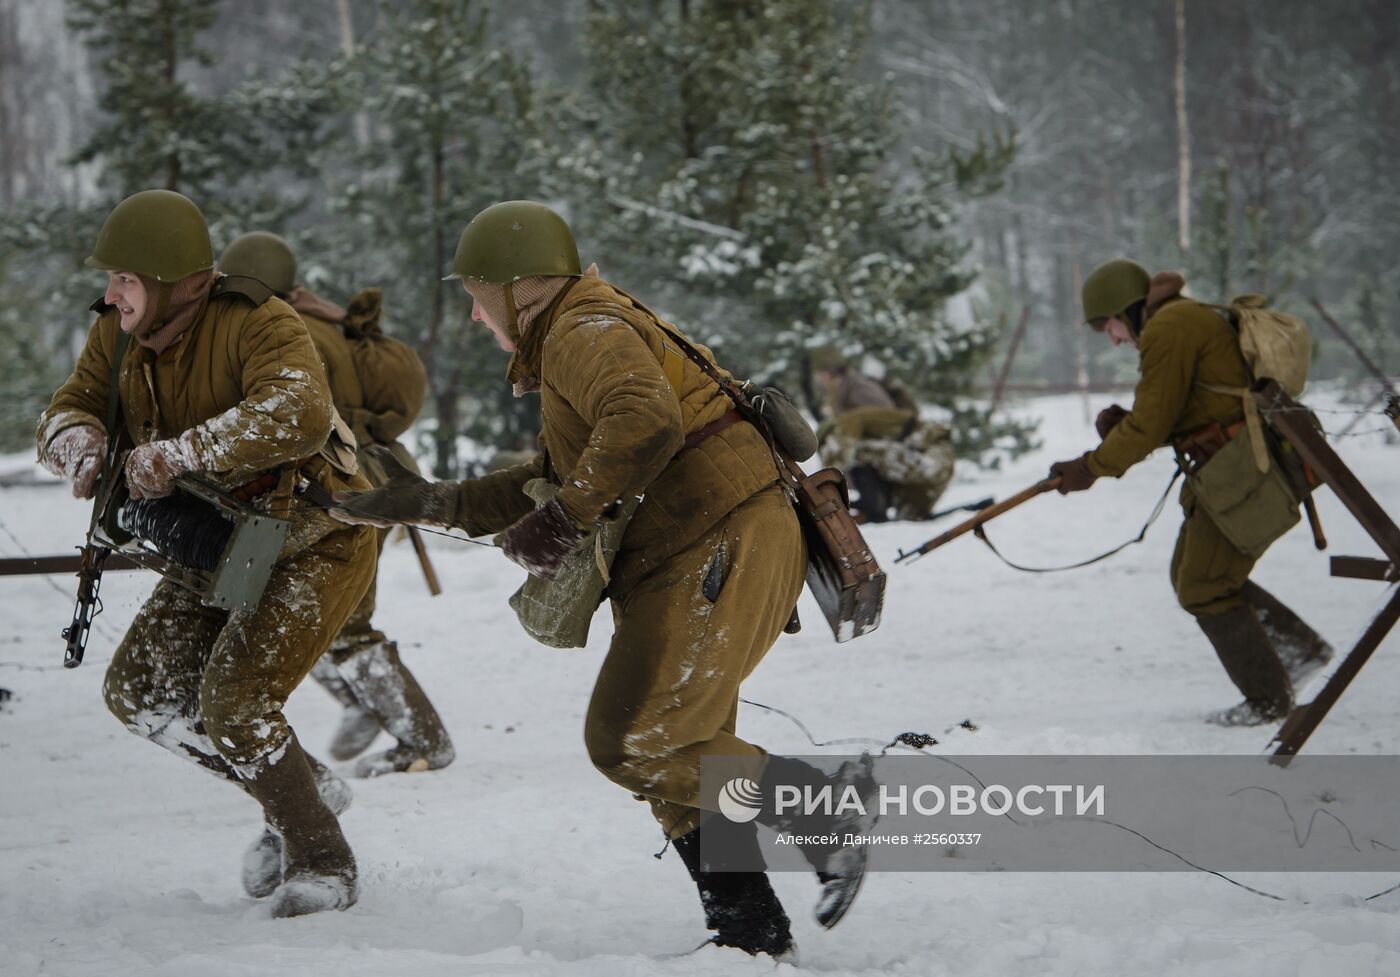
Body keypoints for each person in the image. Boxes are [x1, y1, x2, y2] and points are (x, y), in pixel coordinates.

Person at [332, 200, 873, 958]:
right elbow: (551, 475)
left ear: (518, 289)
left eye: (477, 298)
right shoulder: (582, 329)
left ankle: (822, 810)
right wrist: (426, 501)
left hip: (716, 540)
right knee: (679, 750)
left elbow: (644, 420)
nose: (476, 318)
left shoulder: (582, 330)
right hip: (707, 543)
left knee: (633, 741)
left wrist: (566, 519)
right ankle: (749, 934)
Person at [36, 190, 378, 916]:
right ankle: (300, 788)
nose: (110, 292)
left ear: (168, 279)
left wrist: (185, 451)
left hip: (316, 539)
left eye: (124, 278)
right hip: (222, 541)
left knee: (236, 702)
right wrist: (78, 440)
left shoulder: (259, 321)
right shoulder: (118, 334)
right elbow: (71, 403)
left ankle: (323, 859)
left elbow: (300, 410)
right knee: (138, 691)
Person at [1046, 258, 1332, 726]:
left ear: (1128, 308)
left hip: (1245, 471)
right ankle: (1299, 651)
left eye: (1110, 326)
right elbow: (1187, 407)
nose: (1115, 338)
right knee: (1192, 576)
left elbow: (1153, 420)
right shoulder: (1180, 320)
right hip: (1232, 468)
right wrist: (1125, 429)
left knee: (1204, 585)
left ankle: (1269, 698)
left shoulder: (1170, 327)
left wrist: (1089, 468)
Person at [217, 232, 454, 778]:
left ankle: (422, 738)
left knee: (338, 621)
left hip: (333, 492)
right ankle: (363, 704)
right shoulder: (325, 325)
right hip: (368, 482)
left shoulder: (280, 333)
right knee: (295, 610)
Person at [811, 347, 955, 522]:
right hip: (925, 461)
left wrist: (823, 490)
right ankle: (880, 503)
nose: (820, 379)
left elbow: (840, 455)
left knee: (858, 453)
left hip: (929, 458)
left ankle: (875, 506)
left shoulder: (859, 390)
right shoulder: (846, 390)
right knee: (909, 517)